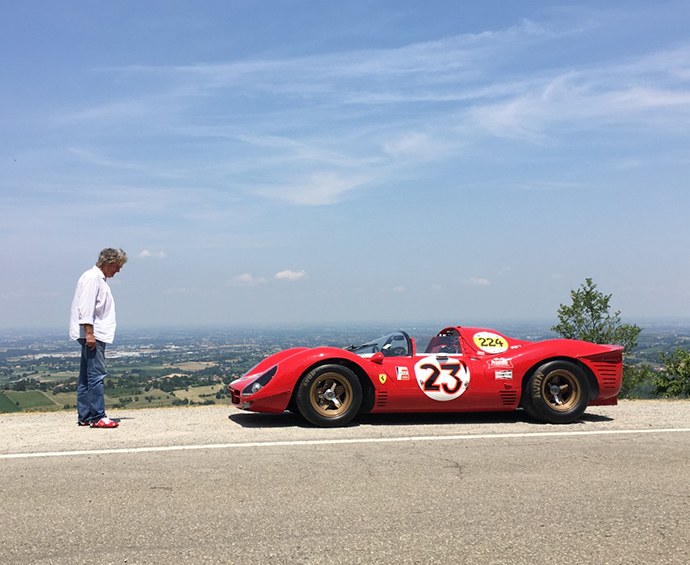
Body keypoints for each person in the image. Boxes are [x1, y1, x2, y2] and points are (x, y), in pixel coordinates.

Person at [69, 248, 128, 428]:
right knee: (96, 375)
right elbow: (85, 307)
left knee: (87, 377)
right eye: (117, 266)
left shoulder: (95, 278)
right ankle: (97, 417)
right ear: (108, 263)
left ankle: (86, 415)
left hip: (92, 333)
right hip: (93, 334)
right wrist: (89, 333)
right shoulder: (92, 278)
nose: (118, 271)